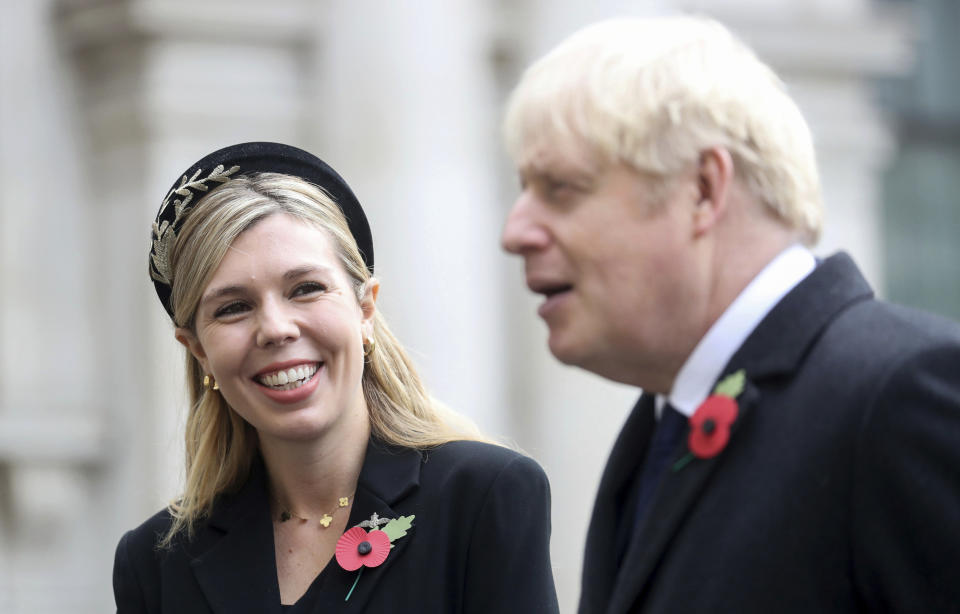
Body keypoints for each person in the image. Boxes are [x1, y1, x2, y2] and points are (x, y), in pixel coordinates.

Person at [501, 16, 960, 614]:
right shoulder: (659, 430)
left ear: (703, 189)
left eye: (561, 187)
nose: (516, 232)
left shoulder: (899, 393)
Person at [113, 142, 559, 613]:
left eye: (305, 289)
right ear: (198, 349)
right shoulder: (156, 562)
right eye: (233, 308)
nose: (276, 329)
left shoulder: (482, 497)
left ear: (365, 308)